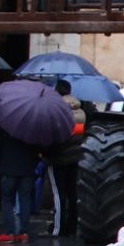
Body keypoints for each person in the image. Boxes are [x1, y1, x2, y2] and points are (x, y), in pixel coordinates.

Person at [46, 80, 86, 236]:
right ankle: (71, 225)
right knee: (72, 192)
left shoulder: (57, 110)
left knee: (58, 194)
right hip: (76, 157)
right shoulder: (79, 110)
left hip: (58, 157)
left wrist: (45, 153)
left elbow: (53, 135)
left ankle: (58, 228)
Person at [0, 122, 42, 243]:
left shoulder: (4, 125)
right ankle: (24, 232)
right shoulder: (32, 126)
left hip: (8, 168)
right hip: (27, 168)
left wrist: (0, 161)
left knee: (7, 200)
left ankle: (9, 231)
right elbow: (38, 148)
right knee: (25, 199)